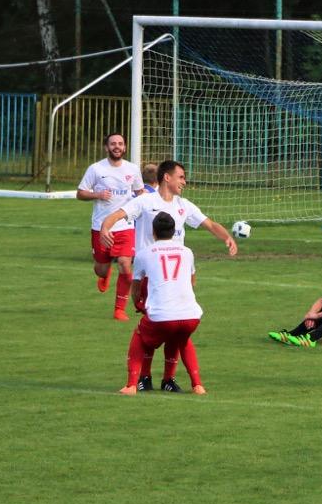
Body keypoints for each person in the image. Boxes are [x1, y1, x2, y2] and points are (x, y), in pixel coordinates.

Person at [101, 159, 236, 390]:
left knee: (168, 330)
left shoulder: (184, 205)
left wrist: (227, 238)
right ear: (167, 177)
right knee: (157, 329)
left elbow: (210, 224)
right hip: (149, 277)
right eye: (181, 177)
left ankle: (167, 380)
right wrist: (105, 227)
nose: (184, 182)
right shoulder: (145, 201)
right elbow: (118, 214)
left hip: (175, 277)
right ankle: (146, 378)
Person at [119, 212, 206, 396]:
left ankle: (132, 385)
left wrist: (139, 305)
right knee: (181, 339)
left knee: (140, 337)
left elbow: (136, 287)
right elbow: (192, 282)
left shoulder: (144, 254)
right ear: (174, 231)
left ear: (153, 231)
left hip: (162, 315)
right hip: (191, 314)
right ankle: (197, 385)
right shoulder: (187, 252)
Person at [76, 133, 145, 321]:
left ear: (125, 147)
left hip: (125, 225)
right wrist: (97, 195)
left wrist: (146, 200)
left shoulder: (132, 169)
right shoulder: (96, 169)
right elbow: (80, 193)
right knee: (101, 269)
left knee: (125, 264)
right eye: (113, 144)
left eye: (120, 144)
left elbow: (139, 191)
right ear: (106, 147)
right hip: (101, 227)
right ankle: (104, 274)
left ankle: (119, 310)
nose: (117, 147)